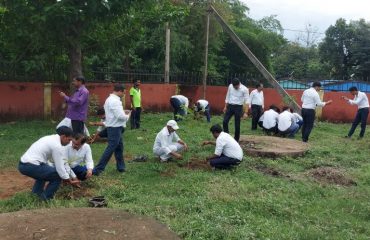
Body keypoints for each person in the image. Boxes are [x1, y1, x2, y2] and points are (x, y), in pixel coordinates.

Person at [18, 126, 80, 201]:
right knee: (57, 176)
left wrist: (68, 176)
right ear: (63, 136)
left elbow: (52, 162)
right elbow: (60, 167)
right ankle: (45, 199)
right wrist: (67, 179)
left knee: (45, 173)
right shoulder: (57, 146)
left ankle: (35, 195)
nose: (69, 142)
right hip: (30, 165)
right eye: (69, 139)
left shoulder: (50, 138)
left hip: (24, 164)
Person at [93, 84, 131, 175]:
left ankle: (121, 167)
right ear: (120, 91)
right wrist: (128, 115)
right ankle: (98, 169)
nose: (124, 95)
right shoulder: (115, 101)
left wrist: (123, 112)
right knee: (111, 148)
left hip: (115, 127)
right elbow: (120, 116)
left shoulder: (109, 100)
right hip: (115, 128)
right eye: (124, 92)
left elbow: (114, 114)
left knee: (119, 148)